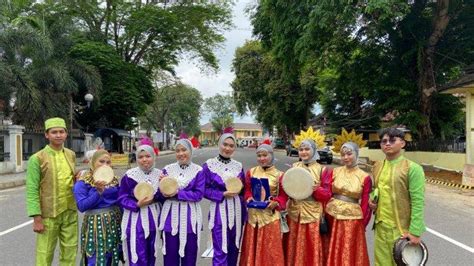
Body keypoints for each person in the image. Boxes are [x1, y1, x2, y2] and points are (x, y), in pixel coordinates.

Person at [369, 128, 426, 266]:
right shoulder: (377, 166)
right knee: (380, 263)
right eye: (384, 141)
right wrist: (372, 201)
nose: (387, 144)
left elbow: (418, 201)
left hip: (402, 230)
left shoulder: (412, 168)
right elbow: (375, 189)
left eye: (392, 140)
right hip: (381, 226)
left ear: (402, 143)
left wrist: (415, 231)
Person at [26, 117, 78, 265]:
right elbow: (32, 189)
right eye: (54, 132)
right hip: (48, 215)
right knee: (45, 254)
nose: (58, 135)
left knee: (70, 252)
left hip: (70, 212)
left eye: (61, 131)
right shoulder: (37, 158)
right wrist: (37, 218)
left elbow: (71, 178)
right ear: (46, 135)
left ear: (66, 134)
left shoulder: (71, 154)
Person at [283, 138, 332, 266]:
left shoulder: (322, 170)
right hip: (294, 212)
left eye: (307, 149)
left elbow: (327, 195)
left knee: (310, 245)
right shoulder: (294, 167)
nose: (304, 152)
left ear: (314, 150)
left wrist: (317, 189)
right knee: (293, 244)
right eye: (301, 149)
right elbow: (286, 188)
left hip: (312, 212)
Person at [239, 141, 288, 266]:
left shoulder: (280, 175)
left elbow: (283, 197)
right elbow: (247, 191)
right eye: (259, 156)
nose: (262, 158)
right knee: (251, 248)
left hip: (270, 218)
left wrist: (276, 203)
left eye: (265, 155)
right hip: (253, 218)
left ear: (271, 155)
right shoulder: (251, 172)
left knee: (270, 251)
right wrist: (248, 198)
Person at [158, 138, 205, 266]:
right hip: (170, 215)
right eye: (177, 150)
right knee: (170, 253)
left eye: (184, 150)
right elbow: (160, 194)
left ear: (190, 151)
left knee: (189, 253)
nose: (180, 153)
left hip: (190, 216)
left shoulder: (198, 170)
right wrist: (162, 185)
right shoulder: (167, 169)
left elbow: (198, 195)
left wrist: (177, 192)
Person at [203, 128, 246, 266]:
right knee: (220, 248)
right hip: (218, 211)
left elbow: (244, 188)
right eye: (225, 144)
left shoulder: (238, 166)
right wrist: (221, 194)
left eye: (231, 146)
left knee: (234, 247)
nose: (227, 148)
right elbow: (203, 190)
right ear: (219, 144)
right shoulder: (209, 165)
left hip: (237, 211)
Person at [325, 142, 371, 266]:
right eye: (343, 155)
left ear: (357, 154)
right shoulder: (335, 171)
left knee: (347, 250)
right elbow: (327, 193)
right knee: (329, 246)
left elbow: (366, 204)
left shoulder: (365, 177)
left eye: (349, 154)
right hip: (331, 216)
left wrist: (363, 224)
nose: (346, 157)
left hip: (351, 220)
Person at [73, 149, 122, 265]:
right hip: (96, 225)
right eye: (101, 161)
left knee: (113, 256)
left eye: (108, 162)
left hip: (115, 222)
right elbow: (82, 206)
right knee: (97, 258)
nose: (105, 165)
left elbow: (120, 202)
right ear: (93, 162)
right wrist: (98, 192)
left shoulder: (115, 180)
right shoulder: (83, 182)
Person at [119, 145, 162, 266]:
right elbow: (122, 198)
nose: (144, 160)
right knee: (138, 254)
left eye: (148, 156)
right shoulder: (130, 176)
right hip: (135, 220)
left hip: (153, 218)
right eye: (140, 157)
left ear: (153, 157)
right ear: (136, 159)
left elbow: (164, 197)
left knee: (151, 253)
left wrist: (163, 189)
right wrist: (136, 204)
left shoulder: (160, 175)